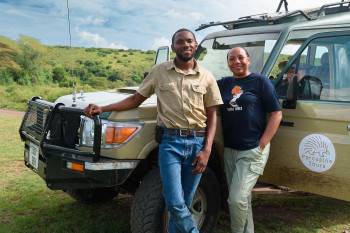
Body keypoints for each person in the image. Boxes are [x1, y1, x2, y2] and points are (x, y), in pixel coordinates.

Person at [84, 28, 223, 233]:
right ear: (173, 46)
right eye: (180, 42)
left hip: (197, 144)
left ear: (195, 44)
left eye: (190, 41)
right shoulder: (159, 72)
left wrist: (207, 149)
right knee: (174, 202)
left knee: (184, 201)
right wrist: (103, 108)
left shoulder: (207, 77)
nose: (186, 45)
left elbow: (213, 114)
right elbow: (135, 99)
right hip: (170, 144)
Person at [217, 47, 282, 233]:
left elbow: (276, 114)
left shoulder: (260, 82)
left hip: (252, 149)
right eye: (231, 59)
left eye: (240, 58)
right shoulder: (224, 84)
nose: (236, 62)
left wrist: (262, 144)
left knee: (236, 199)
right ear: (228, 62)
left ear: (249, 60)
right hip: (230, 151)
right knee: (242, 199)